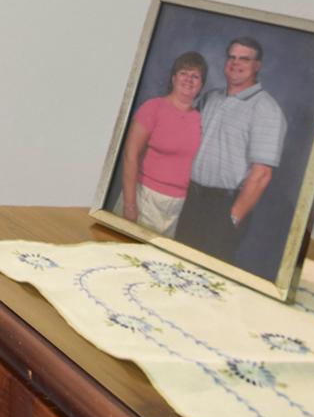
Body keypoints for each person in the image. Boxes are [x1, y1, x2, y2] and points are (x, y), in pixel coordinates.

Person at [172, 36, 287, 263]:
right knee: (176, 264)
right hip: (189, 199)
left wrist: (232, 219)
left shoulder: (266, 110)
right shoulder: (210, 98)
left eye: (244, 59)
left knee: (206, 276)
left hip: (223, 208)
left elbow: (262, 174)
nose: (236, 63)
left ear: (257, 66)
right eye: (232, 57)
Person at [118, 52, 206, 235]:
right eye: (184, 73)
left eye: (195, 76)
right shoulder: (153, 108)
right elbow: (130, 156)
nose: (189, 79)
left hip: (177, 206)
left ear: (201, 85)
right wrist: (129, 205)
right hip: (144, 197)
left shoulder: (201, 120)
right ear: (173, 78)